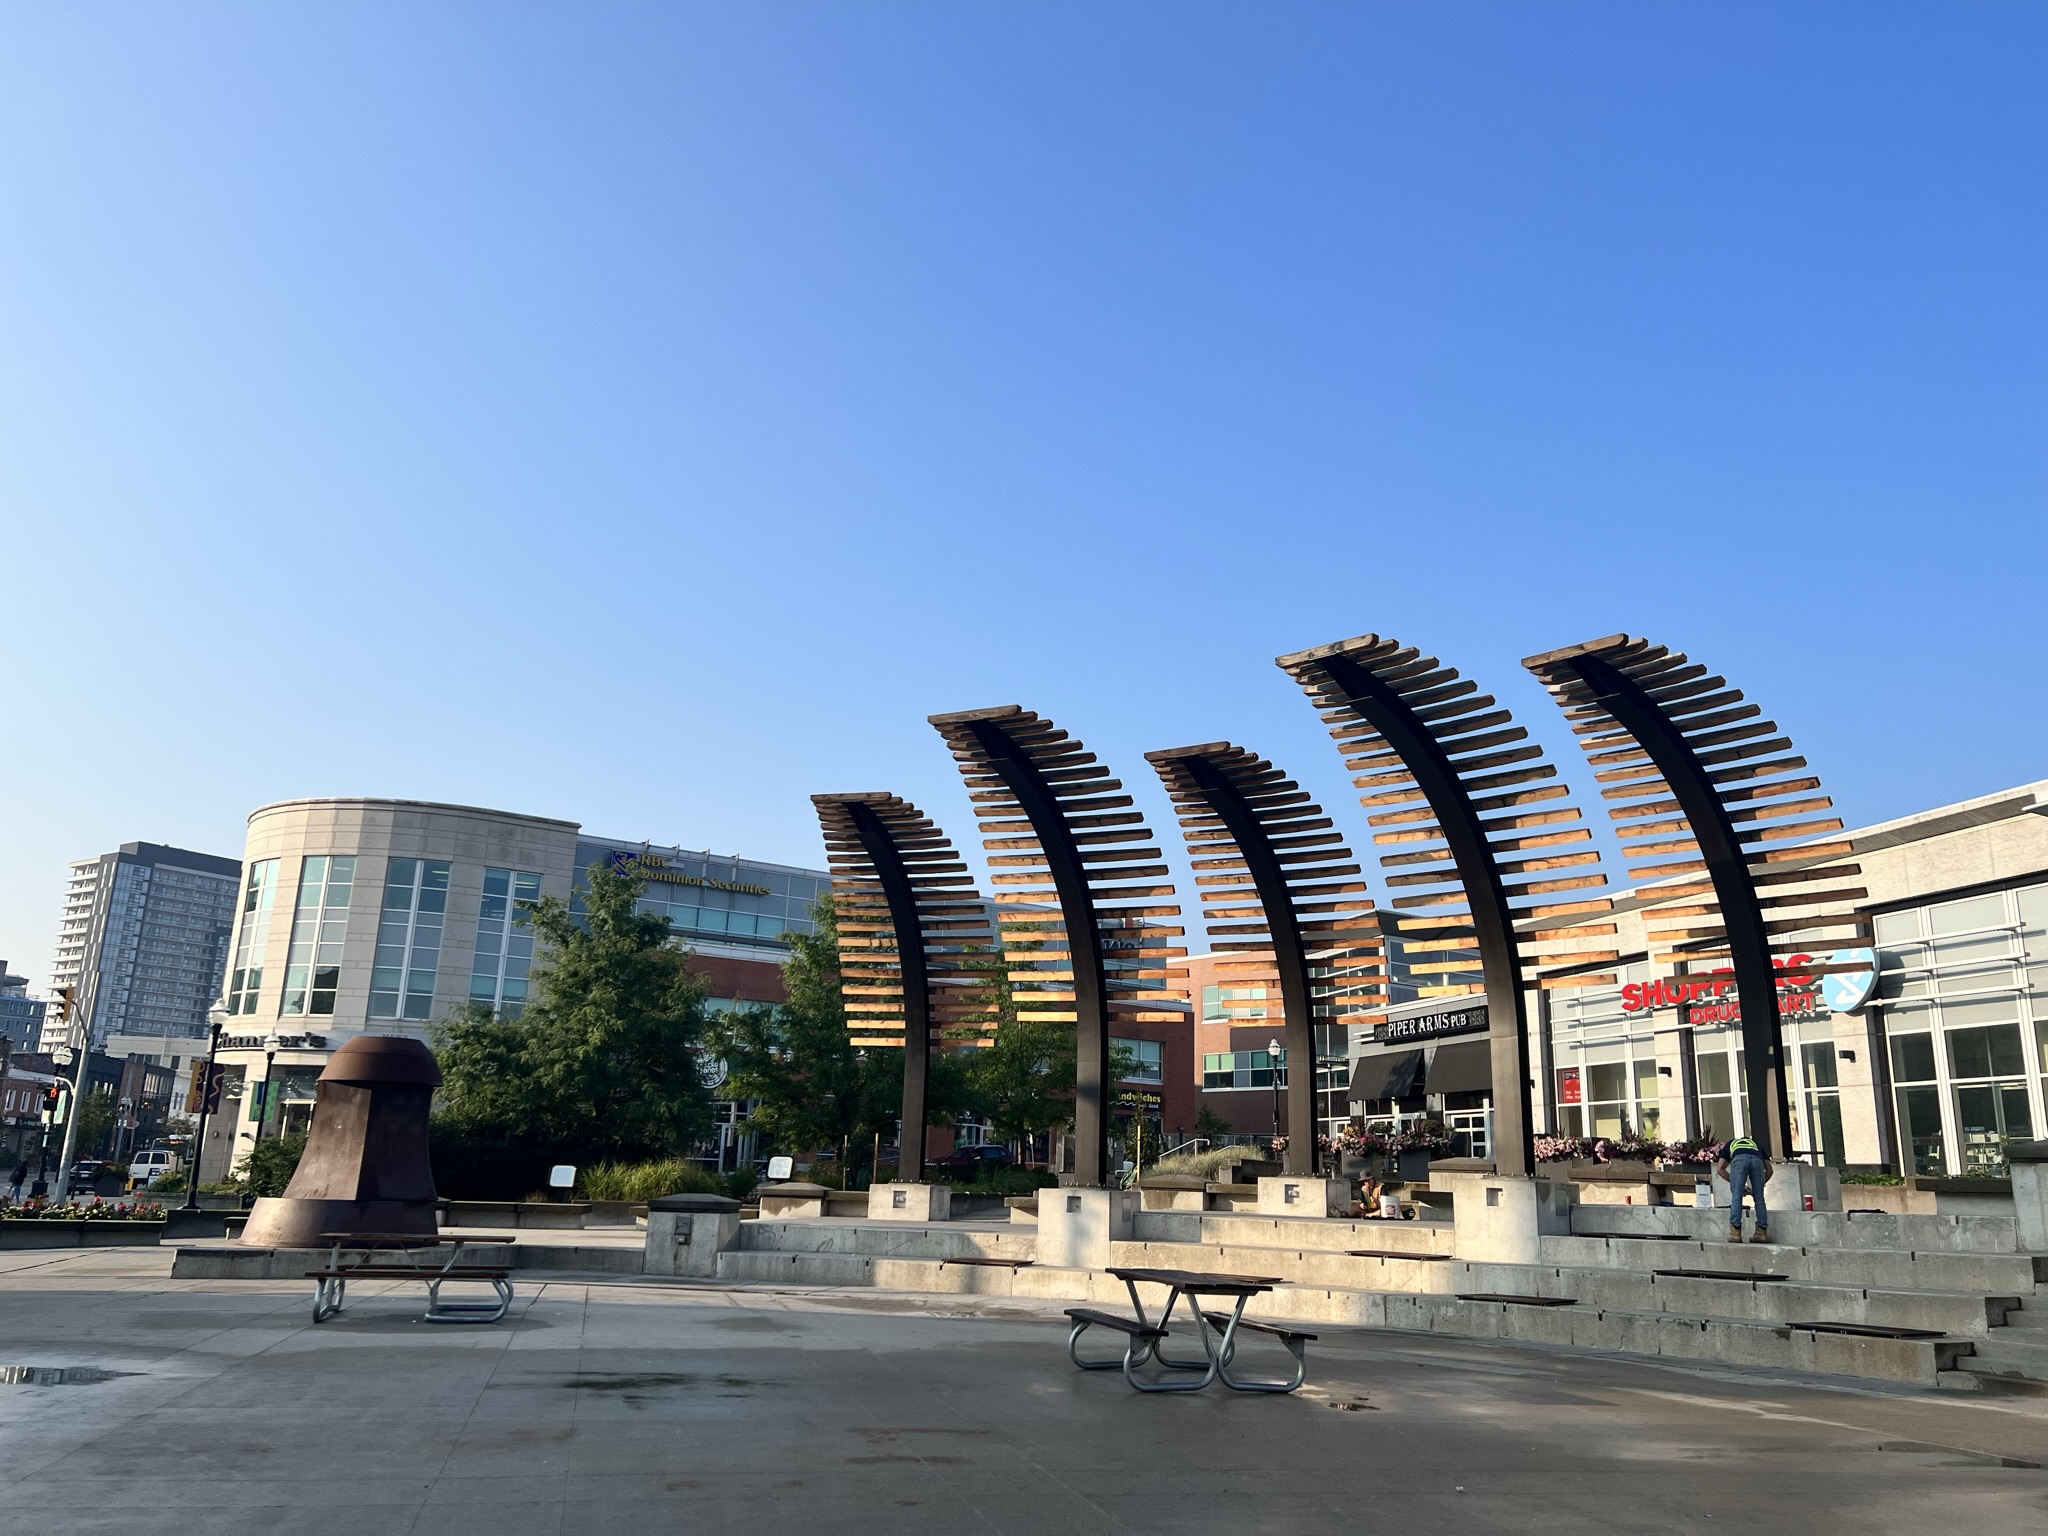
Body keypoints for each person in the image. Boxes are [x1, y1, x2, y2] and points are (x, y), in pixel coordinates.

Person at [1715, 1136, 1771, 1243]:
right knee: (1759, 1198)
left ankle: (1735, 1233)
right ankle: (1761, 1233)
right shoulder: (1757, 1145)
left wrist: (1737, 1184)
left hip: (1739, 1160)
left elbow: (1720, 1169)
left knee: (1737, 1197)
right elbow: (1769, 1170)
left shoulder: (1731, 1143)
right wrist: (1757, 1187)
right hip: (1757, 1161)